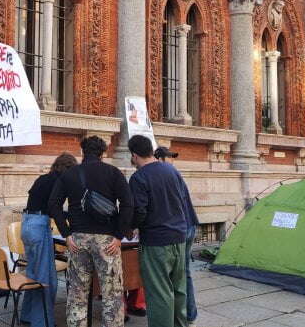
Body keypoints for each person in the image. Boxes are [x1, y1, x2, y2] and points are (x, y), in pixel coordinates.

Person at [48, 136, 134, 327]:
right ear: (103, 153)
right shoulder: (113, 173)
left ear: (82, 152)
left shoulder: (69, 174)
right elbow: (128, 204)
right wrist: (119, 235)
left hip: (77, 240)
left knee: (77, 294)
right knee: (112, 295)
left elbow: (53, 204)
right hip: (107, 241)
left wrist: (66, 233)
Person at [128, 135, 193, 327]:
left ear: (134, 155)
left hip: (156, 241)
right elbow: (183, 200)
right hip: (179, 236)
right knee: (179, 288)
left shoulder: (139, 177)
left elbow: (139, 210)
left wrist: (131, 227)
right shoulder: (172, 171)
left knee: (159, 293)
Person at [20, 152, 78, 327]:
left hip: (27, 224)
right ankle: (42, 322)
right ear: (67, 169)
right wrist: (69, 225)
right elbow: (54, 208)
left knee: (33, 274)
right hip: (39, 226)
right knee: (46, 280)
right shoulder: (58, 182)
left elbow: (44, 204)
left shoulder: (43, 178)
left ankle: (27, 315)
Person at [154, 146, 199, 326]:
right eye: (169, 157)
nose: (171, 160)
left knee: (177, 274)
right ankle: (189, 315)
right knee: (184, 272)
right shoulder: (173, 174)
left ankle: (183, 315)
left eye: (171, 157)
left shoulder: (165, 174)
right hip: (188, 225)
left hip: (180, 228)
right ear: (160, 158)